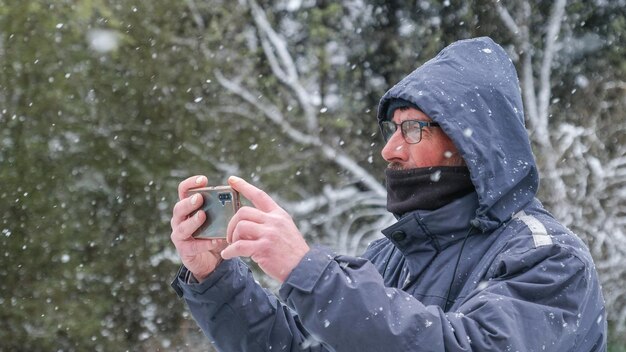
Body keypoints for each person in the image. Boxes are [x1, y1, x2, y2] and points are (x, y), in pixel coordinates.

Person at [170, 37, 607, 351]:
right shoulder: (391, 253)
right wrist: (215, 279)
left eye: (412, 129)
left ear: (471, 139)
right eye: (391, 129)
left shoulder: (549, 258)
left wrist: (310, 273)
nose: (389, 149)